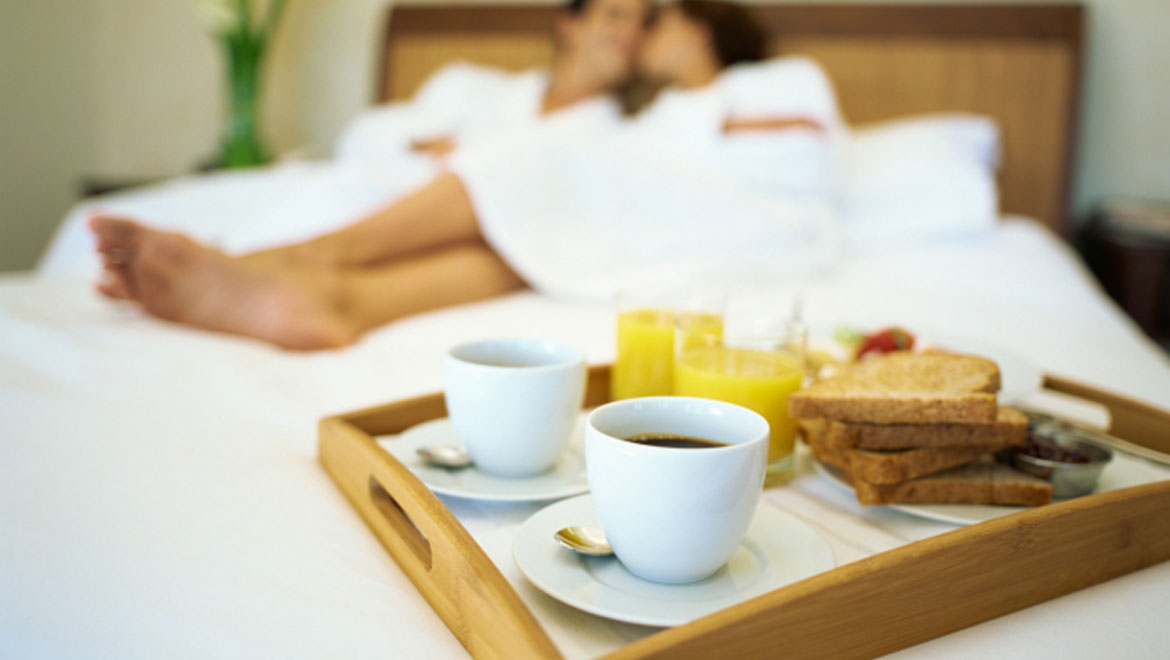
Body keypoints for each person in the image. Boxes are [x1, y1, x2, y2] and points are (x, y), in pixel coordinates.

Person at [92, 1, 842, 351]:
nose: (638, 35)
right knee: (527, 235)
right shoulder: (615, 113)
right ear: (568, 25)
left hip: (695, 217)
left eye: (653, 19)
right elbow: (383, 138)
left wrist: (702, 116)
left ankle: (313, 263)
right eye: (623, 16)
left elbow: (807, 147)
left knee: (531, 195)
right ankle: (334, 299)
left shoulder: (753, 90)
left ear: (703, 28)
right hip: (582, 214)